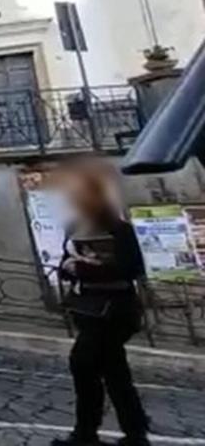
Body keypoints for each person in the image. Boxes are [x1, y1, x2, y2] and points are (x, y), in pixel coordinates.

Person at [52, 166, 149, 446]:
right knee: (113, 370)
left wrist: (90, 268)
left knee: (83, 363)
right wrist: (72, 267)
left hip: (116, 310)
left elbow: (133, 268)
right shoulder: (75, 229)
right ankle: (132, 432)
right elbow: (64, 267)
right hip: (89, 309)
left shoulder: (120, 230)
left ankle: (88, 432)